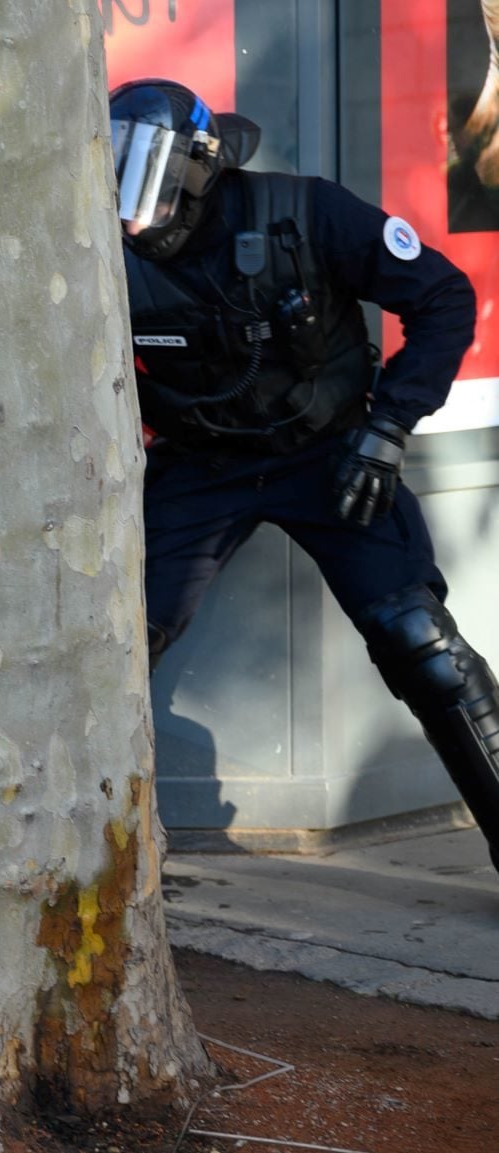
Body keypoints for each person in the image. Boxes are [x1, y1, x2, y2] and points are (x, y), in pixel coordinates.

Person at [112, 79, 499, 872]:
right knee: (108, 646)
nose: (133, 202)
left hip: (331, 452)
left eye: (150, 170)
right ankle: (92, 866)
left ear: (201, 164)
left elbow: (441, 297)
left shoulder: (301, 211)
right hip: (200, 463)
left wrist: (389, 427)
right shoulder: (95, 249)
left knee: (421, 644)